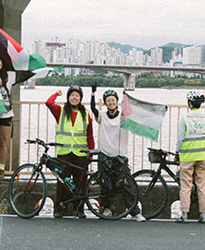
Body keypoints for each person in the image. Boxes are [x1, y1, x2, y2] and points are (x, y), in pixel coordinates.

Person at [90, 86, 145, 221]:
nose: (111, 103)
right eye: (108, 101)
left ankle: (135, 212)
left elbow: (137, 114)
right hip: (105, 154)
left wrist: (127, 98)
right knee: (105, 185)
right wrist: (92, 94)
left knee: (127, 185)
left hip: (120, 156)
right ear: (105, 102)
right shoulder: (102, 116)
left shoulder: (123, 116)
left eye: (113, 100)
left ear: (117, 101)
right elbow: (93, 109)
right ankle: (106, 209)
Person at [45, 86, 95, 217]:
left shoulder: (85, 114)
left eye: (77, 95)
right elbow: (48, 103)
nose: (74, 98)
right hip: (65, 153)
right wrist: (56, 93)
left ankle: (79, 209)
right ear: (68, 97)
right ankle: (60, 208)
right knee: (63, 182)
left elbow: (89, 134)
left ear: (80, 98)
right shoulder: (60, 111)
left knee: (81, 182)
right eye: (72, 95)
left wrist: (91, 151)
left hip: (81, 153)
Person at [174, 90, 205, 223]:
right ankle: (203, 215)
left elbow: (180, 139)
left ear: (189, 103)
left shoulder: (185, 117)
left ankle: (184, 215)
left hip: (188, 156)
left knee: (185, 186)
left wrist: (177, 153)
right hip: (204, 155)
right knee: (202, 185)